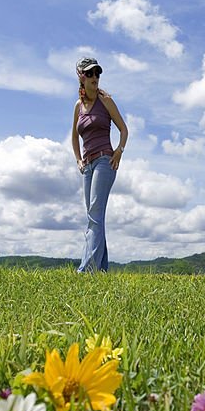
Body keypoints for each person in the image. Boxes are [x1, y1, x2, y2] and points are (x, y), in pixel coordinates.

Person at [71, 57, 128, 272]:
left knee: (94, 216)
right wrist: (78, 160)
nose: (95, 77)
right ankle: (101, 269)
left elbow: (124, 129)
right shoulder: (78, 106)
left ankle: (86, 271)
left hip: (105, 161)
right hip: (87, 166)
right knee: (95, 217)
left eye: (98, 73)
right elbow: (74, 137)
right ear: (81, 77)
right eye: (90, 73)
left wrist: (118, 152)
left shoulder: (106, 101)